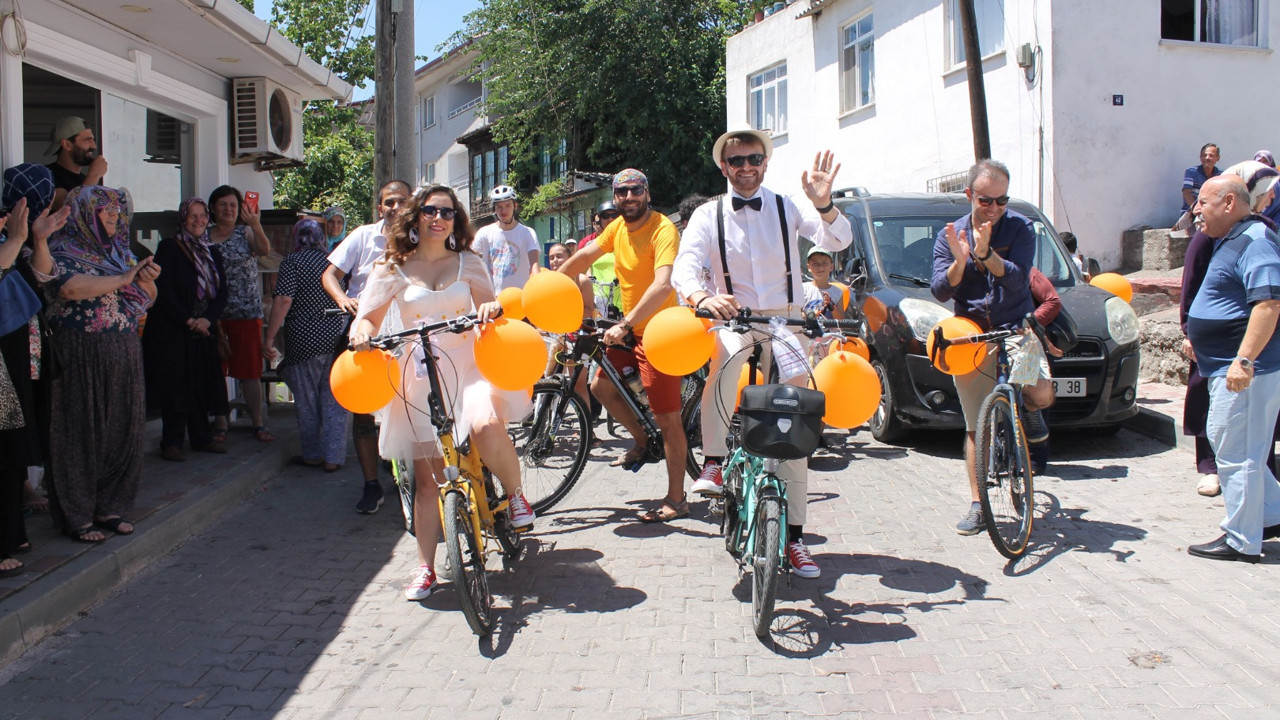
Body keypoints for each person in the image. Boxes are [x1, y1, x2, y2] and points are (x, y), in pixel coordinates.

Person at [673, 126, 851, 578]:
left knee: (795, 425)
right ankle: (713, 461)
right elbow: (685, 267)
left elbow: (838, 240)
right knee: (728, 359)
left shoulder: (786, 206)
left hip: (786, 322)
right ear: (723, 167)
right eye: (737, 161)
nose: (746, 168)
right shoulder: (707, 215)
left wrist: (824, 204)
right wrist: (700, 297)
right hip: (734, 320)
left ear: (766, 162)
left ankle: (793, 540)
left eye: (754, 159)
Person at [348, 184, 534, 600]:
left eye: (447, 213)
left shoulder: (469, 261)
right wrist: (361, 334)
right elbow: (367, 320)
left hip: (468, 364)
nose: (438, 219)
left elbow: (490, 305)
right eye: (430, 211)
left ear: (457, 220)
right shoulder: (392, 267)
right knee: (429, 481)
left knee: (486, 425)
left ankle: (517, 496)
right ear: (415, 216)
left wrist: (488, 308)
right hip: (418, 373)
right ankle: (425, 568)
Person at [929, 159, 1053, 536]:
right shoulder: (948, 236)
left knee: (1042, 393)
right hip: (971, 335)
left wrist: (987, 255)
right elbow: (940, 289)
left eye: (1002, 200)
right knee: (974, 426)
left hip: (1016, 327)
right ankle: (979, 504)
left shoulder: (1021, 228)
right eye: (986, 200)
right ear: (970, 195)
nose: (995, 208)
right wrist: (962, 262)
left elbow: (1018, 282)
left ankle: (1028, 412)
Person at [559, 169, 689, 522]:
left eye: (635, 191)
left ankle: (676, 499)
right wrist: (552, 284)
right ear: (615, 198)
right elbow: (583, 259)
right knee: (600, 385)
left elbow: (663, 285)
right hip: (629, 326)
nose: (628, 197)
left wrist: (626, 323)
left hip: (660, 332)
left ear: (647, 193)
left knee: (667, 418)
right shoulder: (616, 228)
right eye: (622, 192)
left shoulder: (663, 228)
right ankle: (643, 442)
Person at [42, 186, 160, 543]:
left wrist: (147, 283)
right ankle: (77, 515)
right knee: (79, 433)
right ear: (83, 213)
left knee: (121, 430)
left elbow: (148, 299)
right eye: (104, 211)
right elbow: (70, 289)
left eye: (116, 212)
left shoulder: (121, 252)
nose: (113, 217)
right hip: (78, 350)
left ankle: (110, 506)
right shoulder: (60, 250)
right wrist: (125, 278)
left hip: (122, 347)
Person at [1185, 175, 1280, 563]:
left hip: (1242, 372)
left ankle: (1241, 540)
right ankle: (1271, 515)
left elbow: (1268, 304)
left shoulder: (1256, 241)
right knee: (1244, 448)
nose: (1195, 210)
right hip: (1227, 366)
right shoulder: (1232, 238)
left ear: (1228, 203)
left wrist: (1243, 360)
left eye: (1203, 203)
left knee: (1236, 453)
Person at [323, 180, 410, 514]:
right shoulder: (361, 236)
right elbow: (330, 274)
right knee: (364, 411)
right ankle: (371, 485)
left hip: (406, 330)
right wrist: (344, 298)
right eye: (389, 202)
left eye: (401, 201)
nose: (395, 208)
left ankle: (413, 481)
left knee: (409, 406)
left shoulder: (421, 238)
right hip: (367, 332)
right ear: (380, 207)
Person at [0, 165, 70, 517]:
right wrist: (15, 239)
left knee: (20, 433)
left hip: (25, 350)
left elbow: (40, 279)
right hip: (5, 355)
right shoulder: (8, 235)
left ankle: (15, 526)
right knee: (9, 440)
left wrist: (38, 238)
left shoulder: (19, 234)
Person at [142, 198, 229, 462]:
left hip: (203, 329)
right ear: (183, 218)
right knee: (176, 386)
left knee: (201, 383)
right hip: (174, 330)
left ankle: (202, 437)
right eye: (193, 215)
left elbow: (222, 291)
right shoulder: (169, 247)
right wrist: (188, 320)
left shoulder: (211, 251)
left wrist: (207, 320)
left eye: (203, 215)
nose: (199, 220)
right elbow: (164, 290)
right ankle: (172, 442)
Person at [265, 219, 350, 471]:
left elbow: (283, 300)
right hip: (336, 337)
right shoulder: (333, 262)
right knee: (334, 399)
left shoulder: (292, 262)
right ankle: (333, 458)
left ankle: (312, 454)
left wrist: (269, 337)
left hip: (303, 339)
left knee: (307, 400)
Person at [206, 185, 274, 445]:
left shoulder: (244, 232)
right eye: (223, 205)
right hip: (213, 313)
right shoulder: (205, 236)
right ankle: (221, 422)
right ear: (213, 208)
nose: (229, 209)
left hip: (246, 312)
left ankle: (257, 422)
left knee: (249, 372)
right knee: (217, 371)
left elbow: (264, 250)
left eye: (233, 205)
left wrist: (255, 224)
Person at [472, 185, 540, 291]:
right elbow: (472, 263)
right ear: (494, 209)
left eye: (508, 205)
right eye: (499, 207)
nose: (503, 211)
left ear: (515, 206)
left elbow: (534, 266)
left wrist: (537, 288)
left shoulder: (527, 233)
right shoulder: (484, 233)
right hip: (493, 299)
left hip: (520, 297)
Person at [44, 117, 107, 195]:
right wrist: (94, 174)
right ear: (66, 144)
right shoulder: (47, 176)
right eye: (88, 139)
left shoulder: (85, 180)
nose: (94, 146)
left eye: (92, 140)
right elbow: (71, 206)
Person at [803, 247, 846, 320]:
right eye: (815, 263)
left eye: (825, 263)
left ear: (831, 266)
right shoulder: (802, 289)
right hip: (808, 331)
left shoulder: (838, 292)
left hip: (830, 331)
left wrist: (831, 305)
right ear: (809, 267)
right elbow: (797, 315)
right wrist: (813, 315)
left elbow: (841, 321)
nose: (820, 267)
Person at [1182, 143, 1222, 214]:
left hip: (1210, 214)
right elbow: (1186, 192)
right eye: (1204, 155)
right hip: (1191, 212)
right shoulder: (1191, 172)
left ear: (1217, 158)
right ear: (1200, 157)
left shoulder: (1221, 175)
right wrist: (1196, 209)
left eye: (1211, 155)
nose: (1207, 158)